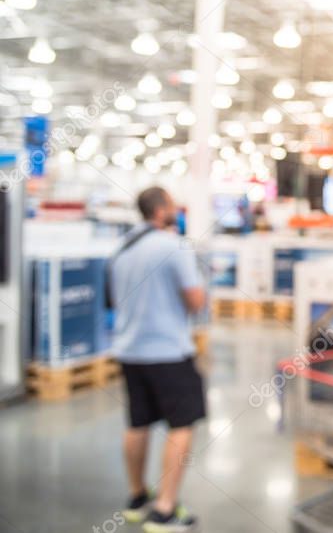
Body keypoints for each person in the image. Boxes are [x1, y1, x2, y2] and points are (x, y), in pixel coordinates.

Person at [109, 187, 206, 533]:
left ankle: (137, 499)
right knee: (181, 426)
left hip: (129, 350)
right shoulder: (172, 246)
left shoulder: (121, 249)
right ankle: (164, 511)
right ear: (163, 208)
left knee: (138, 422)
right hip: (168, 351)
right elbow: (195, 301)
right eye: (172, 204)